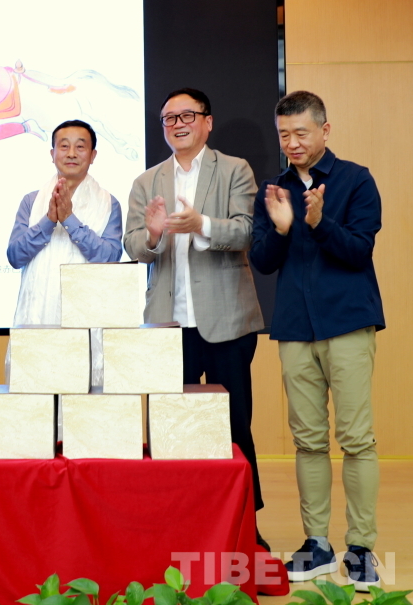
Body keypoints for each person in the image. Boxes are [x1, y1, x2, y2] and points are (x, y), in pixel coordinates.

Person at [250, 91, 385, 591]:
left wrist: (318, 224)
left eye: (301, 133)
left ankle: (361, 547)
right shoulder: (274, 190)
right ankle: (318, 544)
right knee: (307, 440)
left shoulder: (356, 179)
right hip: (294, 328)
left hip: (347, 323)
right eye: (284, 134)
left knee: (356, 439)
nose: (292, 143)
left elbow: (359, 250)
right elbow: (262, 261)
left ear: (325, 130)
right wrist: (283, 229)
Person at [123, 88, 266, 545]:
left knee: (234, 425)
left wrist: (200, 224)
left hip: (227, 321)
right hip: (168, 324)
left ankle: (245, 531)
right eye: (169, 118)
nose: (178, 124)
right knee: (171, 429)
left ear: (207, 122)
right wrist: (153, 234)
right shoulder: (147, 181)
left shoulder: (235, 169)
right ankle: (181, 529)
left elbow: (247, 231)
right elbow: (133, 245)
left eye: (187, 116)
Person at [7, 119, 122, 385]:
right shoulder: (31, 201)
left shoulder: (108, 203)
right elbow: (15, 256)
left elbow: (110, 258)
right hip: (37, 319)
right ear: (52, 154)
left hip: (87, 319)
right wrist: (48, 221)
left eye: (80, 147)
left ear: (93, 155)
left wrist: (69, 220)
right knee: (37, 398)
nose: (71, 153)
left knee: (83, 401)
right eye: (64, 146)